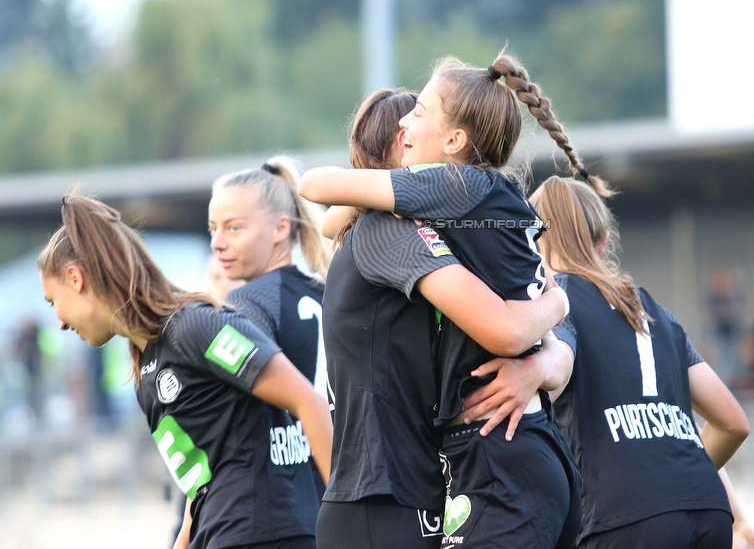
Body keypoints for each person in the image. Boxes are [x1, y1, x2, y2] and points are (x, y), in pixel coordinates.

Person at [301, 55, 589, 549]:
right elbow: (332, 224)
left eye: (419, 113)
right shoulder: (491, 194)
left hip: (500, 455)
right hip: (530, 446)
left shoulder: (450, 185)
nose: (405, 123)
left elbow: (313, 187)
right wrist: (556, 312)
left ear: (454, 141)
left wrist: (556, 309)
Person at [38, 195, 333, 549]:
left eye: (53, 302)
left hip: (265, 533)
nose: (58, 323)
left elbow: (309, 403)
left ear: (74, 278)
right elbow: (202, 483)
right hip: (222, 534)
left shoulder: (193, 327)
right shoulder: (146, 363)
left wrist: (342, 523)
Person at [527, 175, 750, 548]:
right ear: (603, 242)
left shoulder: (553, 299)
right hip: (708, 510)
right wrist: (675, 483)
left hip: (625, 517)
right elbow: (733, 423)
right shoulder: (652, 309)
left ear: (533, 242)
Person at [209, 156, 334, 496]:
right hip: (342, 487)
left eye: (233, 228)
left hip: (289, 496)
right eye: (213, 228)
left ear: (281, 228)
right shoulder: (329, 291)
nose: (217, 243)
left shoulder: (247, 303)